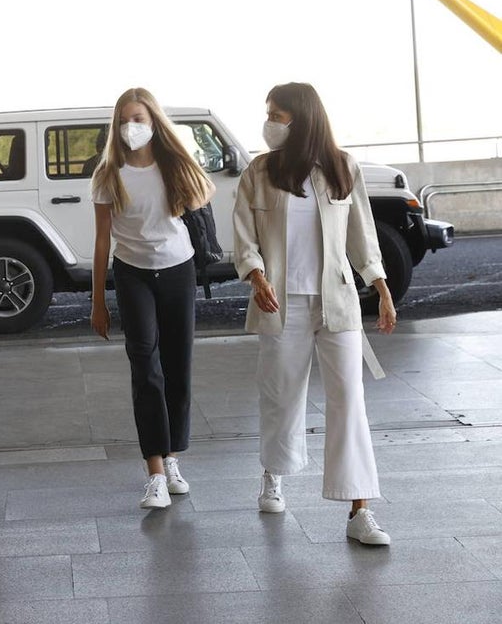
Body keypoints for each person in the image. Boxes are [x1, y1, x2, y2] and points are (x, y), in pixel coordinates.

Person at [232, 81, 397, 545]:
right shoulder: (259, 172)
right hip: (281, 303)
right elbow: (244, 236)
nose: (269, 124)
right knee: (281, 395)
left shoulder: (342, 168)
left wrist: (381, 288)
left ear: (300, 119)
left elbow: (362, 234)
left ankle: (360, 509)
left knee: (350, 402)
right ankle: (274, 473)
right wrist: (256, 275)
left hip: (337, 302)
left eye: (276, 115)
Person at [90, 87, 214, 509]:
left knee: (178, 365)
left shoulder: (173, 165)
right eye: (125, 119)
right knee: (145, 367)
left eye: (139, 118)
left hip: (178, 269)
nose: (131, 126)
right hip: (132, 275)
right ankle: (155, 471)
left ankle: (173, 456)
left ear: (153, 121)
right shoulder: (108, 174)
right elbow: (102, 240)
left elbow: (203, 195)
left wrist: (180, 162)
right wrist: (97, 301)